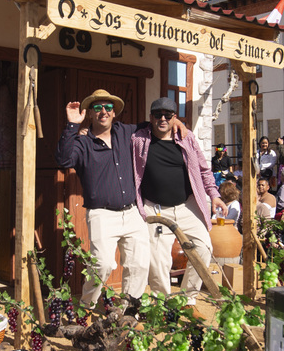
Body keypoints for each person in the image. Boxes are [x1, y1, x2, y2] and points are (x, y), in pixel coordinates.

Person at [56, 89, 151, 312]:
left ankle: (130, 311)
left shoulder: (126, 132)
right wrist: (72, 124)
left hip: (132, 212)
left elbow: (155, 126)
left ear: (114, 112)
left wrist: (177, 122)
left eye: (108, 107)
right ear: (89, 113)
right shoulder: (82, 143)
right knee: (102, 265)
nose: (103, 112)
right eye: (97, 108)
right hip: (102, 214)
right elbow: (63, 159)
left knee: (138, 265)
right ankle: (86, 307)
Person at [132, 98, 226, 308]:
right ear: (151, 118)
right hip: (154, 207)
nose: (162, 119)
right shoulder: (139, 139)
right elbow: (120, 131)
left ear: (175, 117)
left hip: (187, 205)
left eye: (168, 115)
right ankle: (164, 304)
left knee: (202, 248)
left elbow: (203, 169)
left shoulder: (186, 137)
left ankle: (187, 298)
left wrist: (214, 194)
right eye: (158, 115)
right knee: (157, 260)